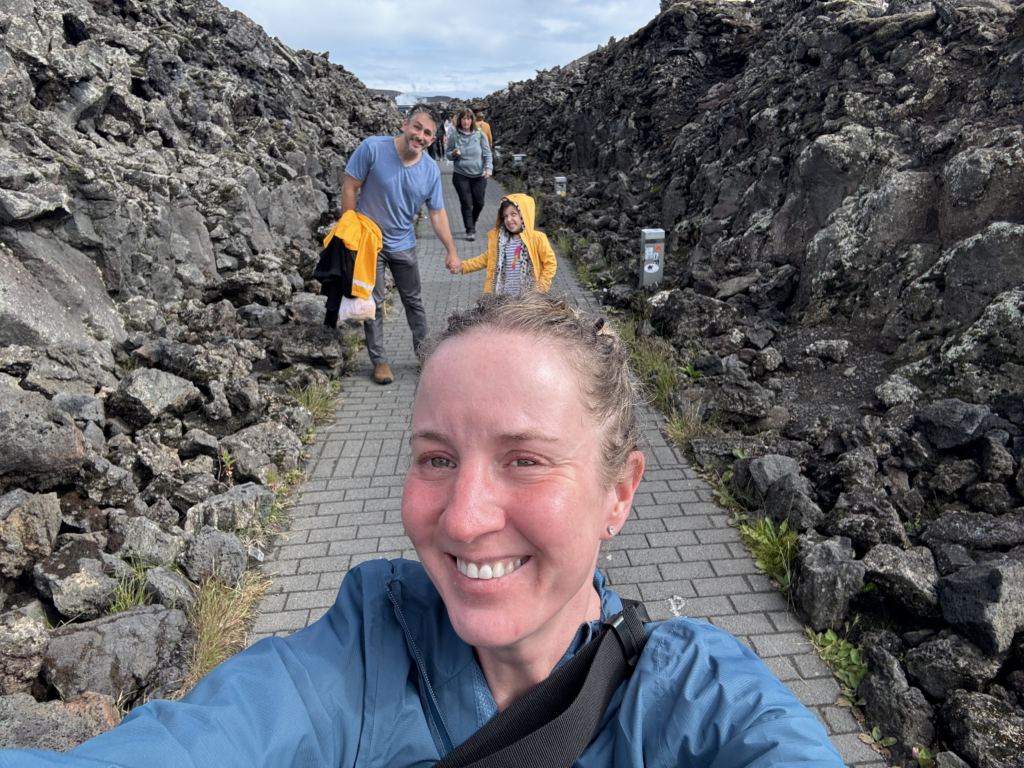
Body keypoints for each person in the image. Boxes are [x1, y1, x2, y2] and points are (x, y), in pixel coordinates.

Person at [5, 293, 848, 768]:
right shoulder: (358, 659)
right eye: (437, 458)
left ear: (618, 494)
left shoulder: (698, 702)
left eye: (525, 459)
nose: (464, 517)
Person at [341, 104, 461, 385]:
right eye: (417, 127)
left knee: (414, 301)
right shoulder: (372, 149)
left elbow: (437, 213)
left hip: (404, 244)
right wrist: (348, 234)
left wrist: (452, 250)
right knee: (374, 301)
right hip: (370, 244)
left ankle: (423, 354)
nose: (420, 135)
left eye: (427, 133)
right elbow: (349, 187)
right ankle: (380, 360)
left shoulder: (430, 171)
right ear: (405, 124)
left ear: (433, 140)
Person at [459, 194, 557, 294]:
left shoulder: (537, 238)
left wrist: (540, 289)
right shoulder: (502, 241)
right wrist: (463, 266)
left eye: (513, 214)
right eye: (505, 216)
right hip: (503, 298)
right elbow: (485, 259)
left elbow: (550, 263)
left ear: (524, 215)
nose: (508, 219)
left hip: (527, 299)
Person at [445, 107, 492, 241]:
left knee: (479, 203)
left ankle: (473, 220)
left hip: (479, 175)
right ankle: (469, 229)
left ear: (472, 120)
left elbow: (487, 153)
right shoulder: (455, 135)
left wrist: (489, 168)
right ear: (460, 120)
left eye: (469, 118)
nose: (466, 121)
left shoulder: (479, 134)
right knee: (466, 202)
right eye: (464, 119)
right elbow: (447, 154)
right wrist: (453, 154)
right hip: (461, 175)